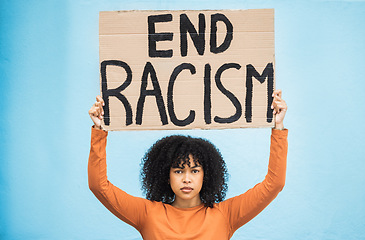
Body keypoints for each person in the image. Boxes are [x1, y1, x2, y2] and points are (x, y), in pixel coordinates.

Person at [88, 90, 288, 239]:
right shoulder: (147, 214)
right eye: (178, 170)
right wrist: (99, 130)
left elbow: (274, 184)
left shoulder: (225, 215)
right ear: (166, 175)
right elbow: (99, 186)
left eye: (194, 170)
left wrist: (278, 127)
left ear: (205, 175)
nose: (186, 178)